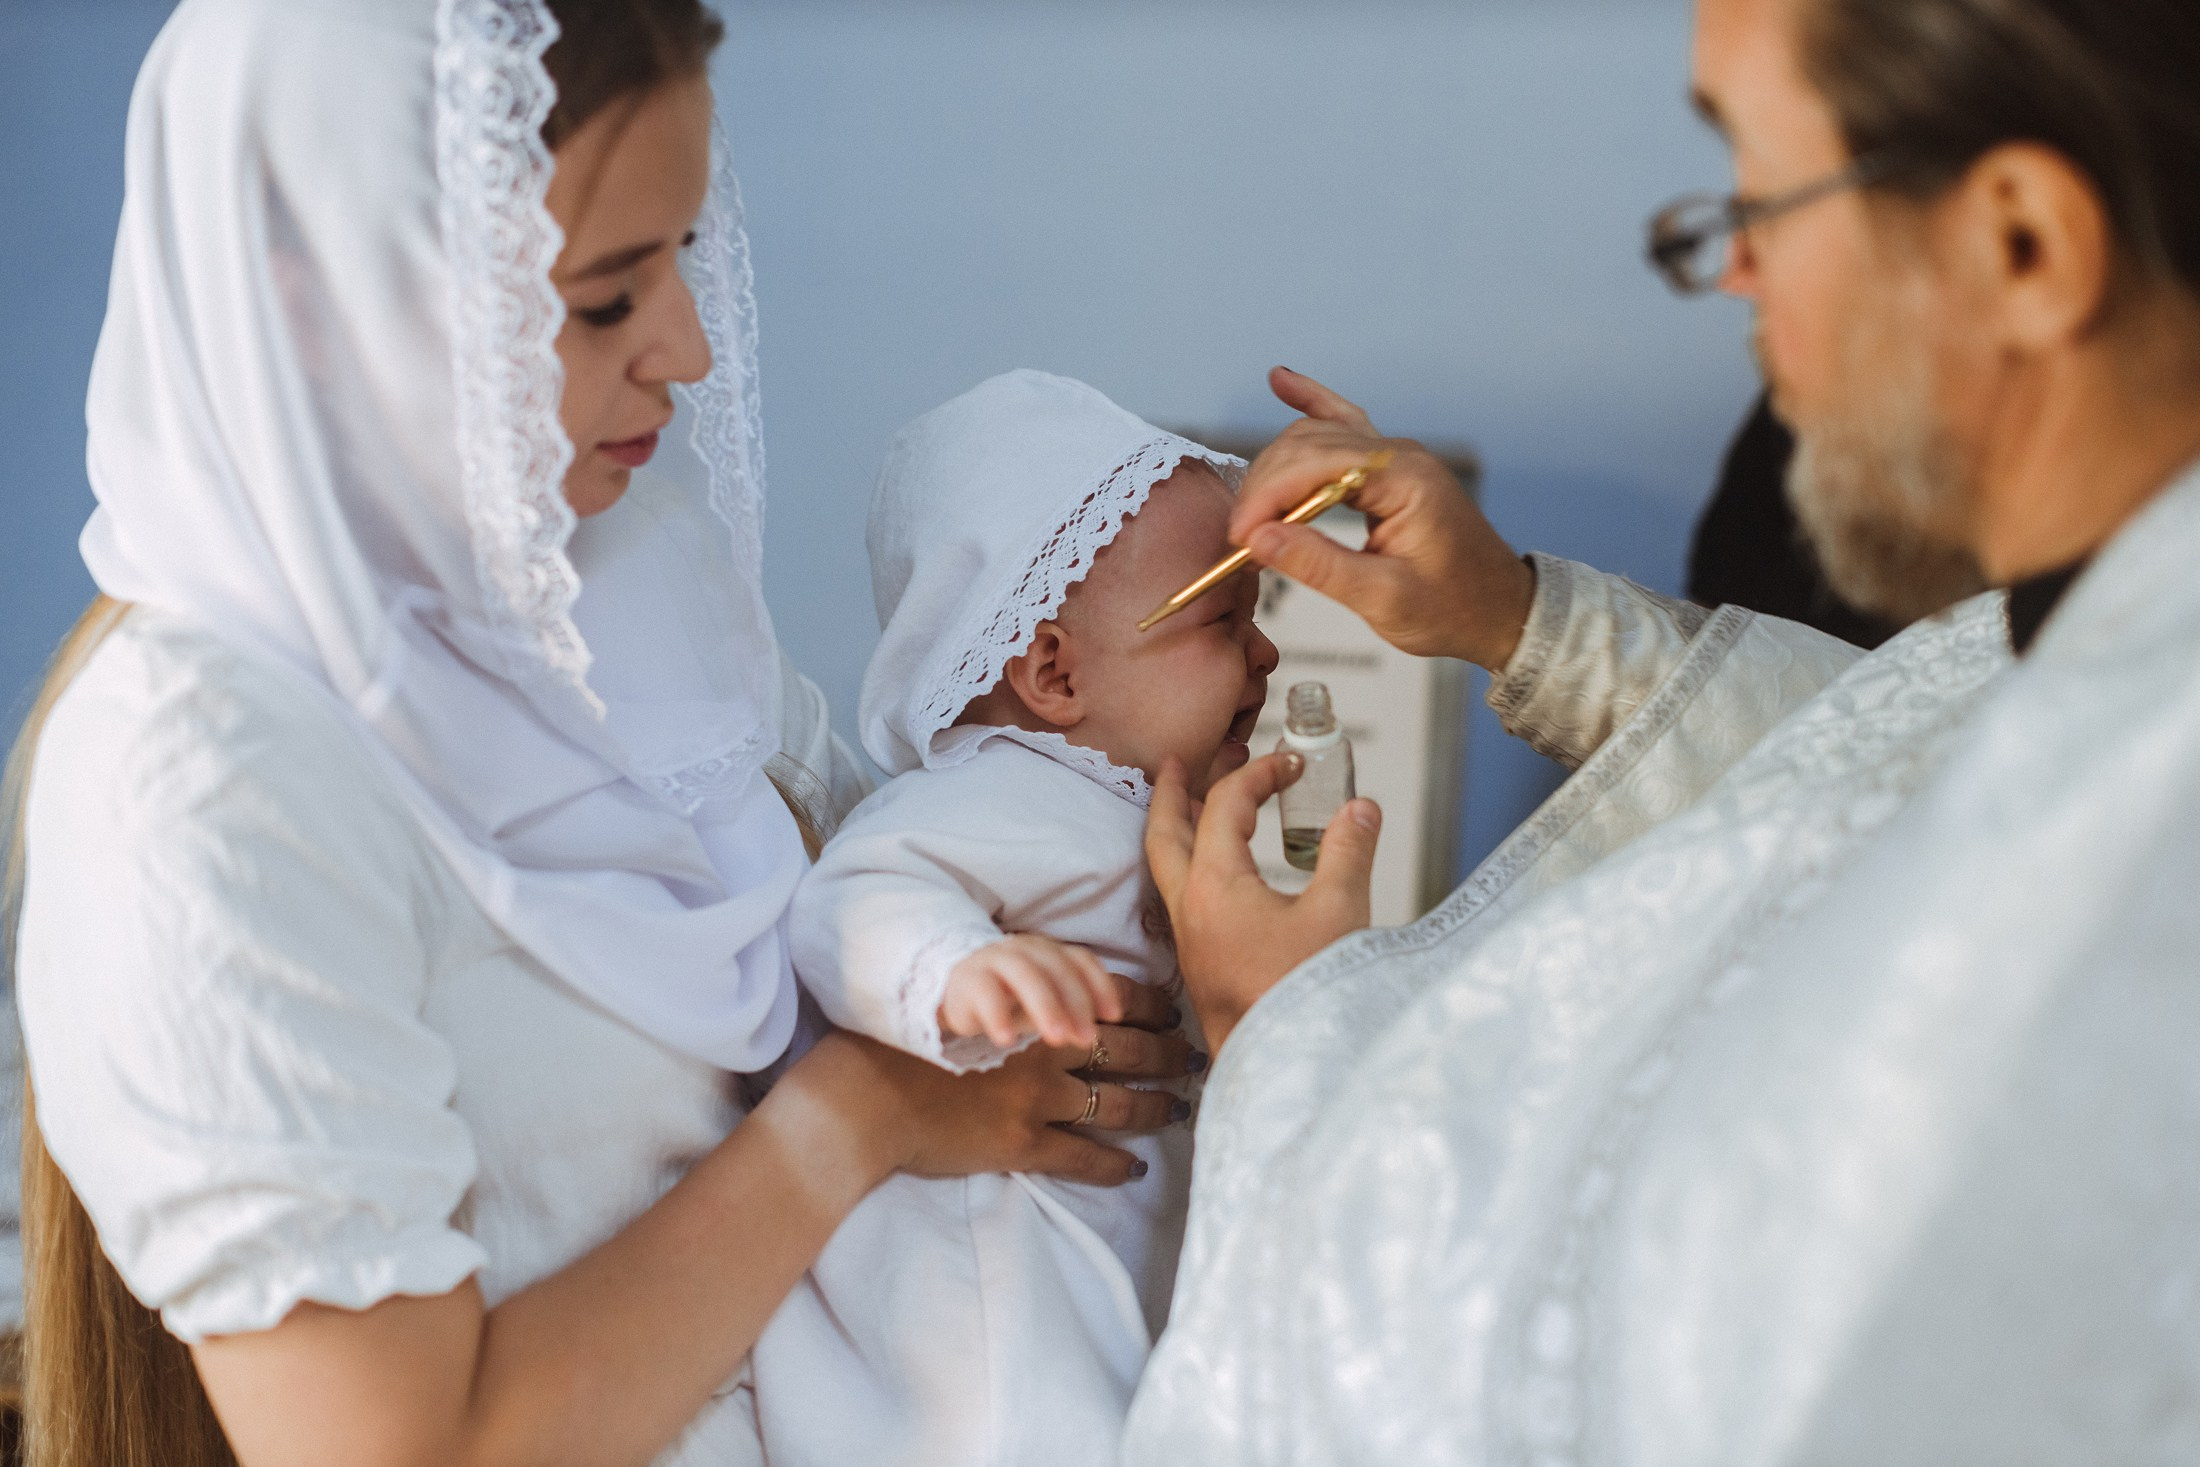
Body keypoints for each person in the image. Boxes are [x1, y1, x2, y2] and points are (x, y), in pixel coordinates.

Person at [2, 3, 1185, 1464]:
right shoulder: (204, 772)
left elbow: (903, 877)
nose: (684, 350)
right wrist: (850, 1121)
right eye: (605, 298)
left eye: (684, 257)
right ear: (319, 298)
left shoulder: (606, 586)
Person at [1127, 0, 2200, 1460]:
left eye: (1760, 195)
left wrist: (1287, 1027)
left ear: (2021, 242)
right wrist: (1518, 617)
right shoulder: (2085, 637)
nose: (1734, 274)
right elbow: (1870, 777)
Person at [761, 370, 1271, 1466]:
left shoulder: (1137, 801)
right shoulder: (1008, 789)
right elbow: (853, 898)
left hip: (1095, 1220)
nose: (1266, 656)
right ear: (1051, 672)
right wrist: (955, 973)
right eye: (1226, 617)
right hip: (982, 1247)